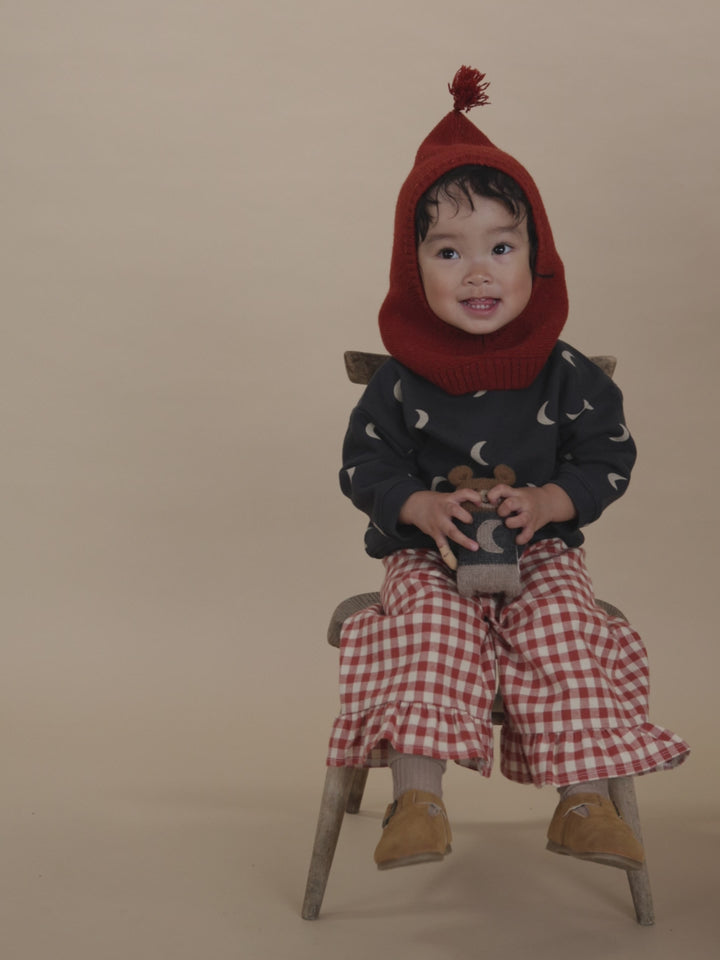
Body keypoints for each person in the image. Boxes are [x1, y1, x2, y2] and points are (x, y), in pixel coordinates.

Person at [327, 67, 689, 872]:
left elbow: (609, 455)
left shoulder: (565, 373)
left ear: (538, 257)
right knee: (426, 634)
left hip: (541, 553)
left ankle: (584, 804)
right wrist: (416, 507)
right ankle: (417, 800)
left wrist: (554, 497)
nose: (478, 271)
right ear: (413, 270)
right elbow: (363, 462)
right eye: (449, 252)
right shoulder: (400, 377)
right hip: (429, 557)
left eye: (501, 247)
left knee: (567, 630)